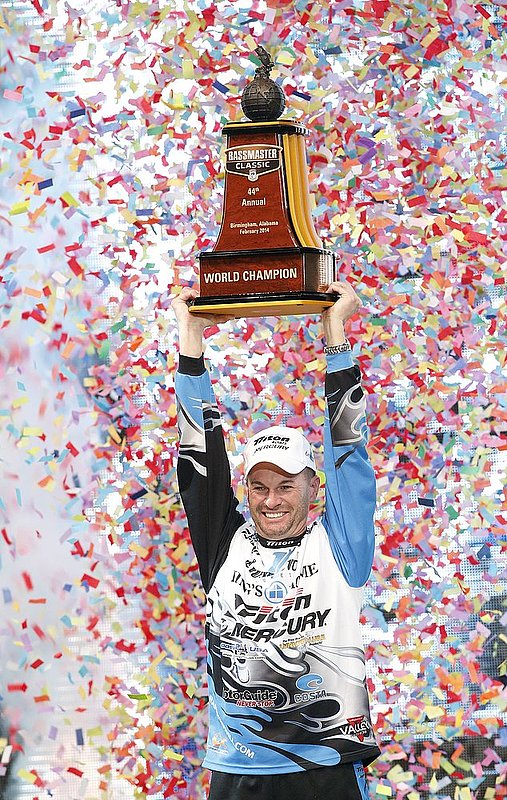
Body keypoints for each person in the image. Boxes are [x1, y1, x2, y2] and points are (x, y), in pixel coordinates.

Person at [172, 282, 380, 800]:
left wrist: (336, 339)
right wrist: (190, 343)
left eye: (287, 485)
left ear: (312, 485)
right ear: (246, 490)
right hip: (238, 770)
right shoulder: (226, 545)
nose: (272, 500)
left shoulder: (339, 548)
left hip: (325, 767)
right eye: (259, 486)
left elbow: (350, 455)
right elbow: (200, 463)